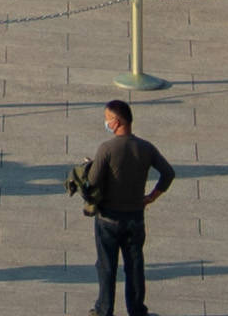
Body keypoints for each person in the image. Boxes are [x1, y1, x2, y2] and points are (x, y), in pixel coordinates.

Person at [69, 104, 166, 315]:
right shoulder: (146, 147)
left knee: (106, 267)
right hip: (135, 218)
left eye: (107, 118)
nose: (106, 122)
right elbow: (168, 173)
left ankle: (104, 310)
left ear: (117, 122)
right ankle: (137, 310)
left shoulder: (107, 148)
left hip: (108, 219)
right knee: (135, 266)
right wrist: (150, 197)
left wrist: (91, 166)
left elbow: (92, 182)